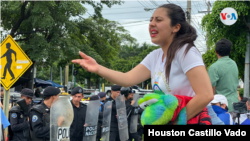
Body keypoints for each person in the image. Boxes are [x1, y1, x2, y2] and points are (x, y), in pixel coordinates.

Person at [72, 3, 213, 124]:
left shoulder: (186, 52)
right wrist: (98, 68)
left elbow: (206, 95)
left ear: (175, 27)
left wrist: (175, 122)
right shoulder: (155, 56)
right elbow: (127, 79)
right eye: (151, 20)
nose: (152, 23)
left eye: (158, 20)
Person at [208, 38, 239, 112]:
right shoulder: (234, 64)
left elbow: (211, 91)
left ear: (216, 52)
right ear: (230, 51)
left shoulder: (214, 67)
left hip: (222, 107)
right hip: (235, 105)